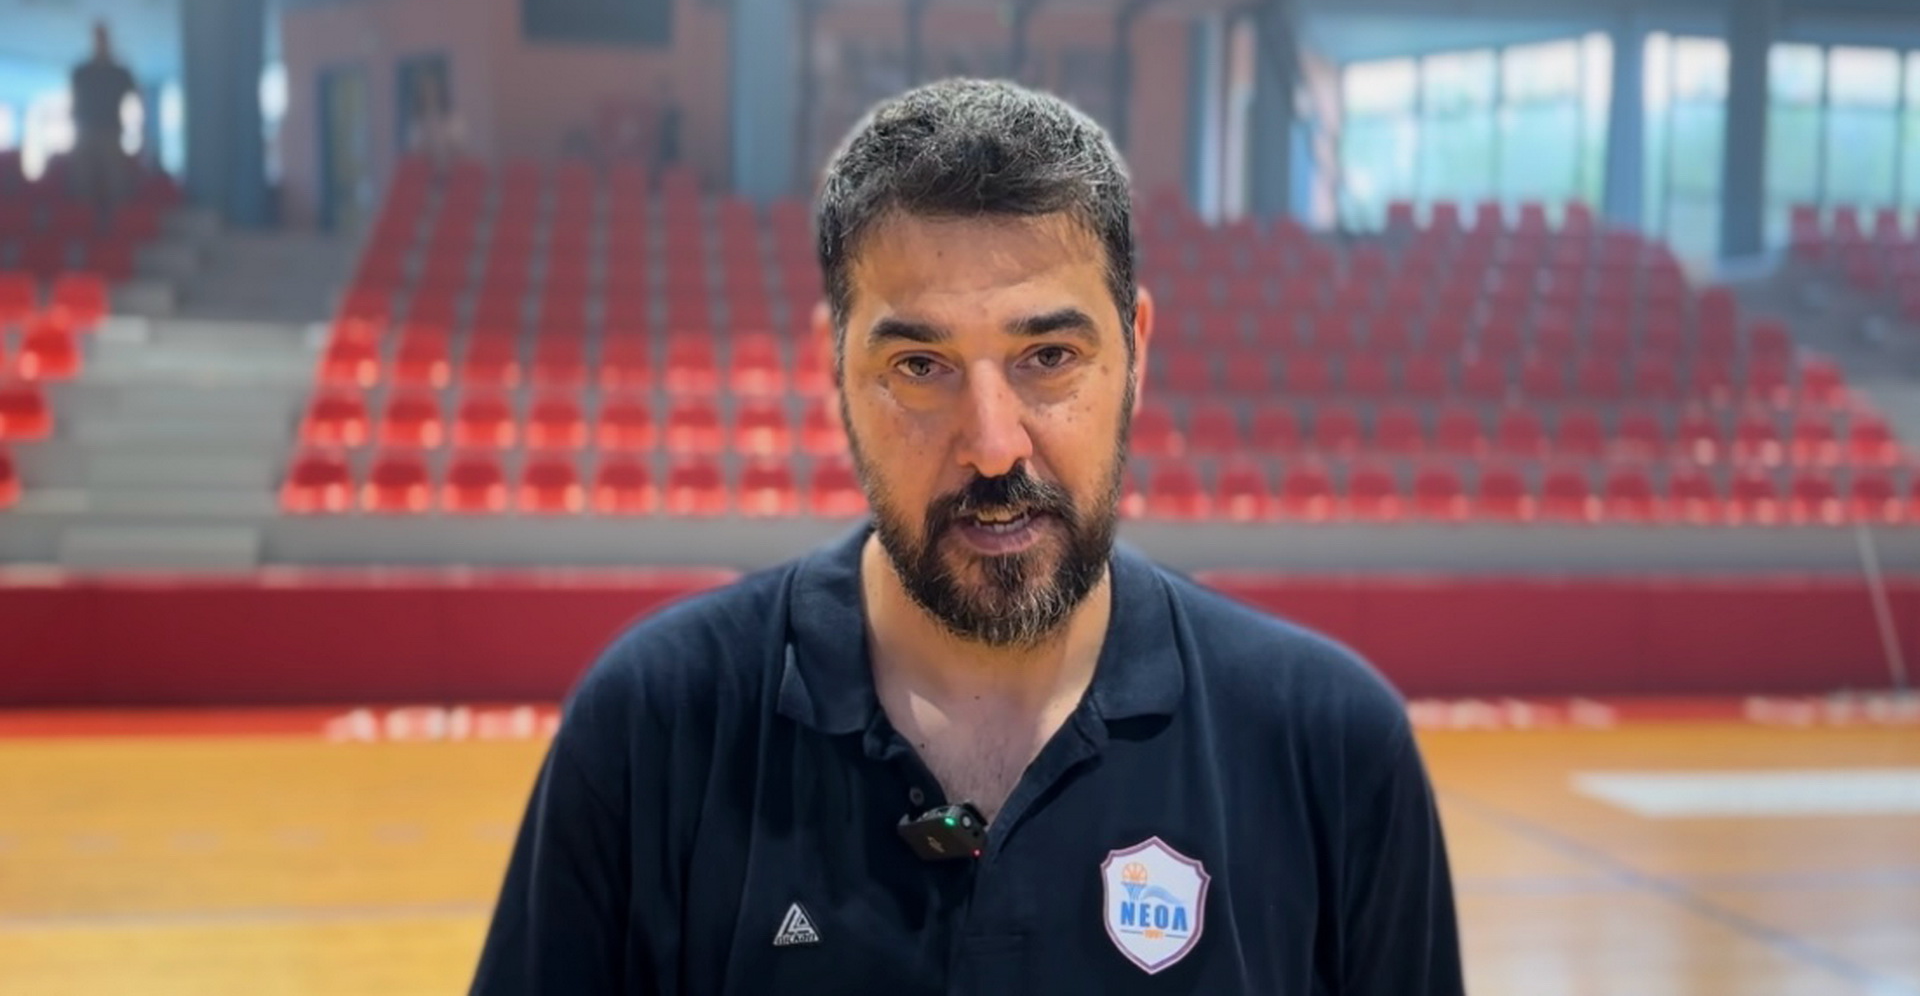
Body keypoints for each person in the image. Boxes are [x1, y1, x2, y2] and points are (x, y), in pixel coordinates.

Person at [469, 78, 1464, 995]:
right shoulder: (653, 726)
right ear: (834, 370)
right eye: (920, 367)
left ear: (1137, 352)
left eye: (1049, 356)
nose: (993, 446)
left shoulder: (1330, 748)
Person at [69, 21, 138, 224]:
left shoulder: (120, 72)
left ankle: (118, 227)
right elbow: (74, 102)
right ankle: (84, 225)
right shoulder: (81, 71)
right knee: (83, 183)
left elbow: (135, 100)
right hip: (85, 132)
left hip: (111, 132)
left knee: (116, 182)